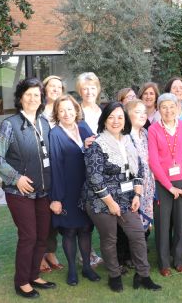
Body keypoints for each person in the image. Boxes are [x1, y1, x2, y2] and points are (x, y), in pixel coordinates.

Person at [82, 102, 161, 292]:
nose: (116, 121)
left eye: (120, 117)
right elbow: (94, 178)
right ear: (104, 120)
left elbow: (139, 168)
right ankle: (114, 275)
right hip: (100, 201)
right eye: (111, 117)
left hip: (127, 198)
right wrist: (110, 203)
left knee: (137, 235)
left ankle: (143, 275)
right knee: (110, 239)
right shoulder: (97, 144)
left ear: (125, 120)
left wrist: (137, 195)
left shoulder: (128, 140)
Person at [0, 78, 56, 298]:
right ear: (20, 98)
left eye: (36, 95)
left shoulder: (44, 123)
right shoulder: (9, 124)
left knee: (42, 236)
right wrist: (16, 178)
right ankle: (21, 282)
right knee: (28, 235)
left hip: (43, 190)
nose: (32, 98)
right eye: (28, 94)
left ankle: (34, 274)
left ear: (41, 99)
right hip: (19, 192)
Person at [48, 95, 101, 286]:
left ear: (76, 109)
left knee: (86, 229)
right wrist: (57, 198)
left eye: (70, 109)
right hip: (66, 190)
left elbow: (97, 152)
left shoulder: (84, 127)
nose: (66, 114)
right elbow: (55, 165)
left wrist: (89, 146)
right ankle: (72, 269)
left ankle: (87, 267)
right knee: (70, 231)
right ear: (56, 113)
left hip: (87, 189)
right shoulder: (55, 134)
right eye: (61, 110)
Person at [148, 93, 182, 276]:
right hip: (163, 184)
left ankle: (178, 259)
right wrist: (169, 187)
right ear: (159, 110)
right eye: (164, 107)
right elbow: (153, 162)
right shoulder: (154, 129)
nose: (168, 111)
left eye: (171, 106)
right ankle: (164, 263)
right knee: (163, 224)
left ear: (177, 108)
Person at [74, 72, 104, 268]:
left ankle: (102, 250)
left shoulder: (102, 111)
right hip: (82, 167)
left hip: (102, 167)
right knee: (85, 214)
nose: (89, 92)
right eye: (85, 89)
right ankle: (86, 253)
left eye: (92, 88)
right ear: (80, 91)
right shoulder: (76, 113)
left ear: (98, 89)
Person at [40, 75, 64, 274]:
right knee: (43, 213)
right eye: (51, 86)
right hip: (43, 168)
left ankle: (50, 251)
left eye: (59, 87)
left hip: (62, 166)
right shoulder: (39, 111)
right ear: (44, 89)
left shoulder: (63, 110)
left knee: (56, 211)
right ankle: (40, 254)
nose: (55, 89)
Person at [125, 99, 155, 234]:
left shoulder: (145, 133)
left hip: (148, 186)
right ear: (127, 115)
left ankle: (141, 252)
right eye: (138, 112)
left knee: (144, 229)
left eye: (144, 112)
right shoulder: (124, 136)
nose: (143, 115)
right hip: (131, 189)